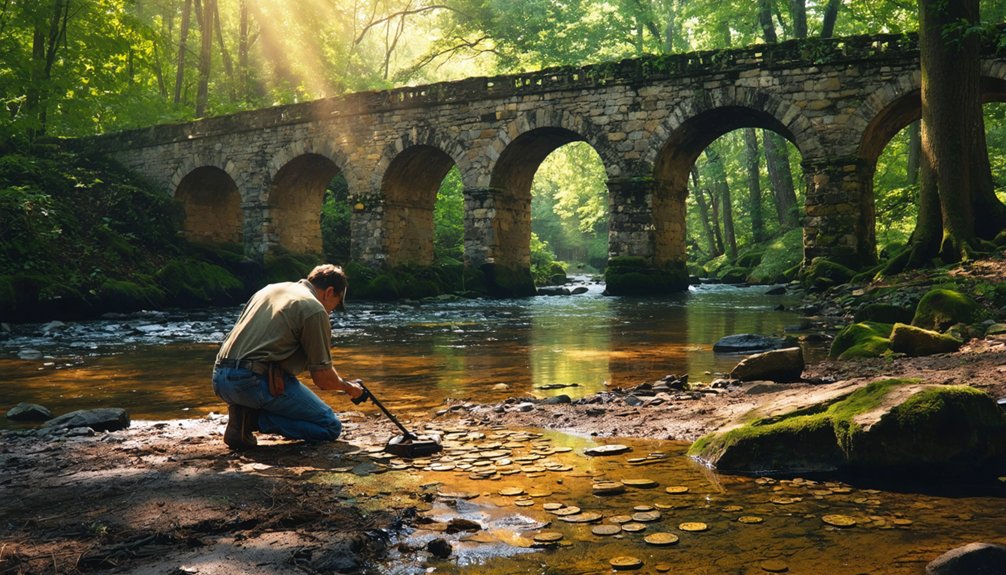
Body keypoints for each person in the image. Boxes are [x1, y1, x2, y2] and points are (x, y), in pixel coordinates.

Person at [212, 264, 365, 450]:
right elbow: (323, 379)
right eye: (337, 303)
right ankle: (252, 419)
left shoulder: (269, 290)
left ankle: (244, 412)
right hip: (251, 382)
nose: (332, 311)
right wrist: (349, 388)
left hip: (220, 379)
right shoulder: (314, 309)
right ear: (329, 291)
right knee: (329, 426)